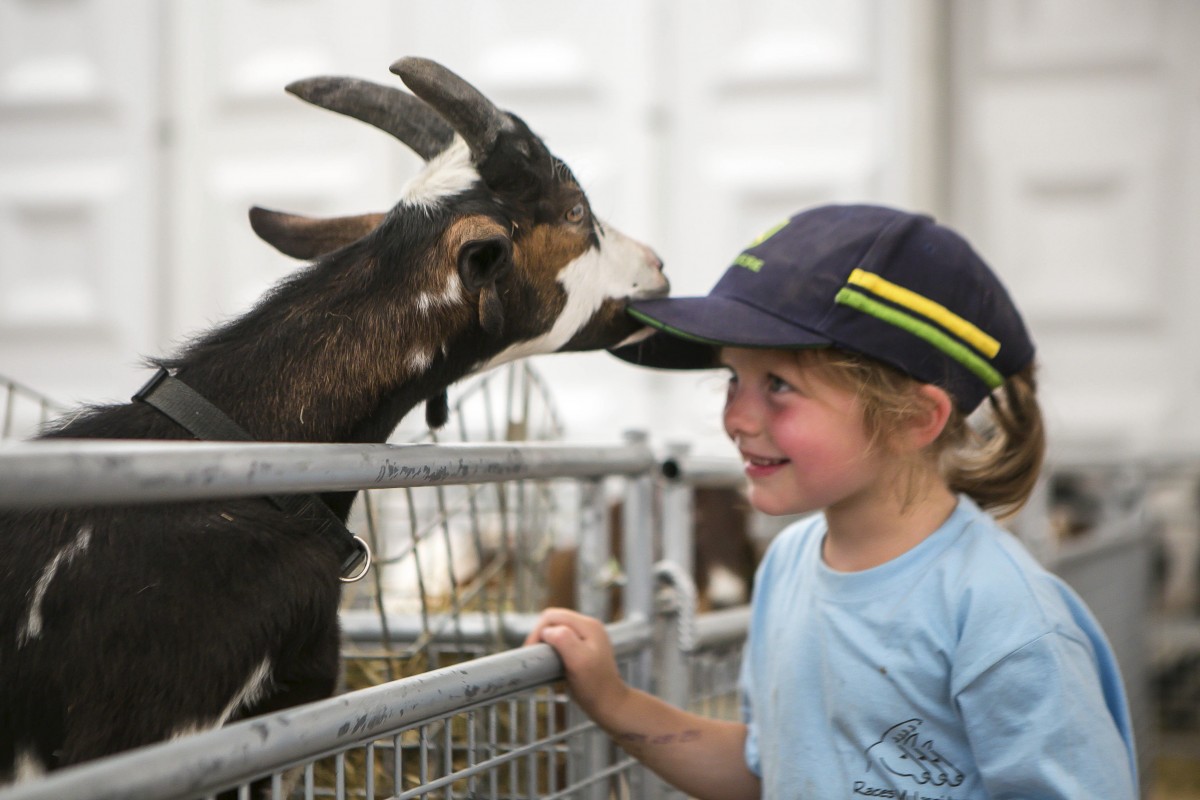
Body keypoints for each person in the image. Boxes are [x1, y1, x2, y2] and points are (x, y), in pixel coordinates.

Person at [525, 204, 1137, 798]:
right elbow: (767, 769)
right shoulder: (790, 564)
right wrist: (613, 700)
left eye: (779, 385)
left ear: (914, 418)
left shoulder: (1003, 617)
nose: (736, 417)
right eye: (734, 378)